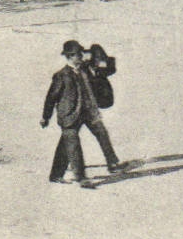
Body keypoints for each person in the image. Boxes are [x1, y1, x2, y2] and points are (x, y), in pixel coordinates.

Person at [41, 40, 122, 183]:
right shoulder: (61, 75)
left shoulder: (85, 69)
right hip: (70, 115)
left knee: (101, 133)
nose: (82, 57)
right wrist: (45, 117)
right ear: (70, 56)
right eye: (79, 55)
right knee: (72, 145)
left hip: (89, 112)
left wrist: (98, 52)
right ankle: (80, 178)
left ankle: (112, 163)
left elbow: (109, 69)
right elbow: (51, 97)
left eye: (82, 54)